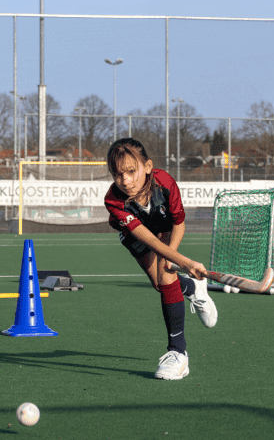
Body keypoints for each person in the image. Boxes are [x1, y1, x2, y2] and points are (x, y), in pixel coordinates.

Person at [102, 137, 217, 380]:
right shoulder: (114, 200)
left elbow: (179, 223)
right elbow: (150, 241)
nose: (125, 181)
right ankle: (194, 287)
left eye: (131, 171)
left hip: (166, 229)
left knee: (166, 280)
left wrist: (172, 255)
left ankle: (178, 354)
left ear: (147, 166)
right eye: (117, 174)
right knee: (161, 284)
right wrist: (183, 262)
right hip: (137, 235)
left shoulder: (165, 183)